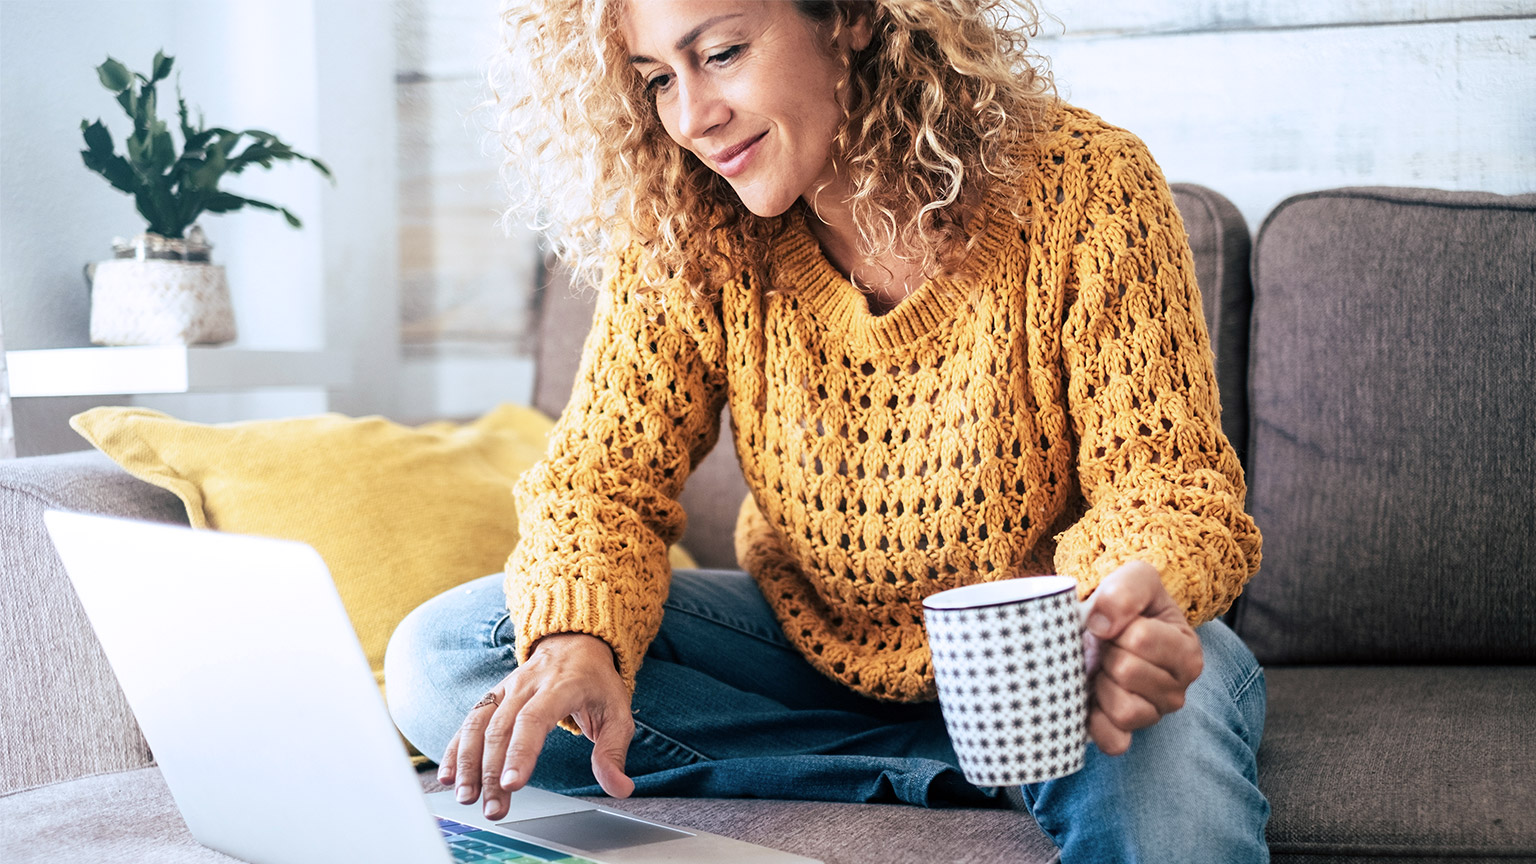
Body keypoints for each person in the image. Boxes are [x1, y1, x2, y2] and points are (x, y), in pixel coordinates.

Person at [385, 1, 1270, 860]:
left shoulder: (1087, 187)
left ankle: (998, 753)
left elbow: (1167, 488)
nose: (691, 116)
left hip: (1051, 654)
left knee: (1159, 738)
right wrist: (578, 638)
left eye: (722, 53)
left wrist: (1107, 621)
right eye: (657, 77)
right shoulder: (688, 224)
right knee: (448, 655)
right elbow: (600, 481)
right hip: (809, 649)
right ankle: (963, 772)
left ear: (847, 16)